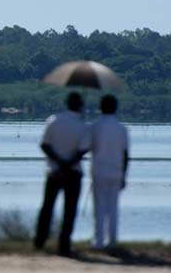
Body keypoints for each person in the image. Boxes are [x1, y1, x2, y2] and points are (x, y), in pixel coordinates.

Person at [34, 92, 89, 256]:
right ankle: (64, 245)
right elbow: (82, 151)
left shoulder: (53, 120)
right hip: (73, 173)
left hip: (54, 172)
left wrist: (59, 163)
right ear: (80, 106)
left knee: (47, 207)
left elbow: (44, 145)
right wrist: (67, 164)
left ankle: (40, 240)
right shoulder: (82, 126)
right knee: (70, 210)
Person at [89, 94, 129, 250]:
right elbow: (125, 155)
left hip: (99, 172)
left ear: (100, 108)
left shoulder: (95, 126)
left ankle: (98, 241)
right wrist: (124, 175)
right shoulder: (122, 128)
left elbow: (87, 147)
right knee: (113, 208)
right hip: (116, 172)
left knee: (99, 208)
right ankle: (112, 241)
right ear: (115, 108)